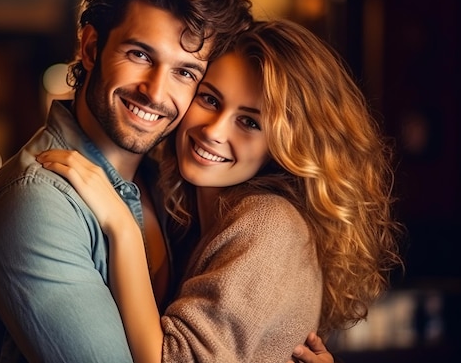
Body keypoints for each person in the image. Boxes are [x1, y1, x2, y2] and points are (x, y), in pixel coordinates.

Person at [0, 0, 334, 362]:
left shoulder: (173, 188)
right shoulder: (40, 204)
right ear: (92, 48)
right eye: (140, 55)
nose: (154, 91)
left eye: (185, 72)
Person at [37, 19, 405, 362]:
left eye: (249, 121)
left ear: (284, 144)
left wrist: (121, 227)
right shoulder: (190, 212)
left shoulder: (268, 225)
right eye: (210, 99)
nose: (214, 131)